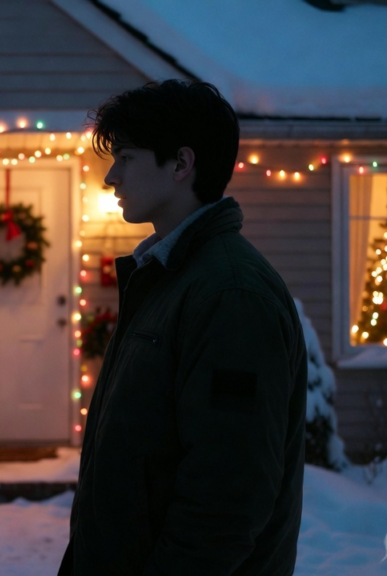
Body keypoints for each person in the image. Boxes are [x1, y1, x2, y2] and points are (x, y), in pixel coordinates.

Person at [59, 81, 307, 575]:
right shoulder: (171, 279)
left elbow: (227, 497)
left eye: (127, 157)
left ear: (180, 164)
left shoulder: (230, 295)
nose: (112, 176)